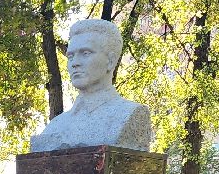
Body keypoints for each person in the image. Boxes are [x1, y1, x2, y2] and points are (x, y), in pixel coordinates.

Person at [28, 19, 152, 153]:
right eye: (70, 56)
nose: (75, 63)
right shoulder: (55, 126)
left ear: (110, 60)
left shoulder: (129, 115)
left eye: (85, 53)